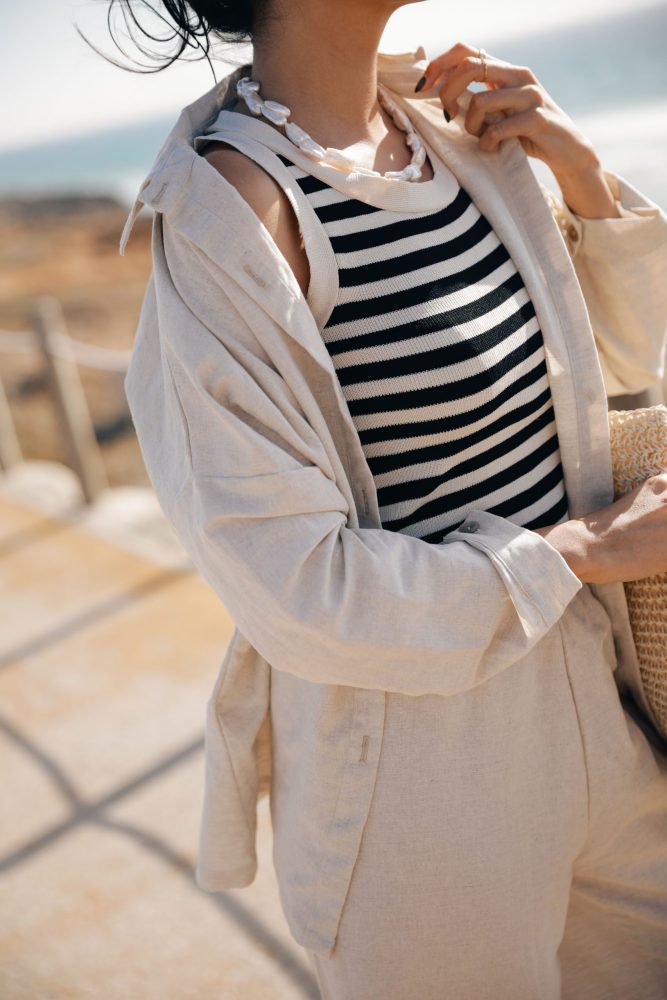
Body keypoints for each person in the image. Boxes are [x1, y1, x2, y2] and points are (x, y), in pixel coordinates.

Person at [93, 1, 667, 996]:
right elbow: (294, 587)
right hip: (421, 777)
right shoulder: (230, 211)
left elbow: (602, 378)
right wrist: (579, 552)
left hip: (595, 693)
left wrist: (575, 172)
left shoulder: (449, 129)